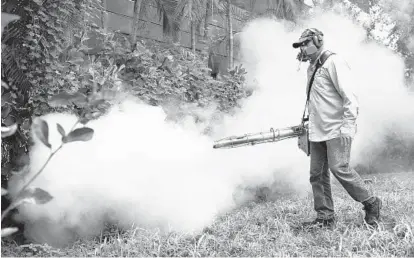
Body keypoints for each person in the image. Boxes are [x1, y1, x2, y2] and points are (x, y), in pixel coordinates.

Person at [292, 28, 382, 228]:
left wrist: (348, 127)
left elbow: (350, 97)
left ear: (318, 41)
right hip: (317, 130)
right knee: (317, 174)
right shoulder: (312, 67)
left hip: (337, 129)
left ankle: (371, 202)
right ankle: (325, 217)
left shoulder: (334, 62)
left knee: (339, 168)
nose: (303, 48)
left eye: (306, 43)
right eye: (301, 45)